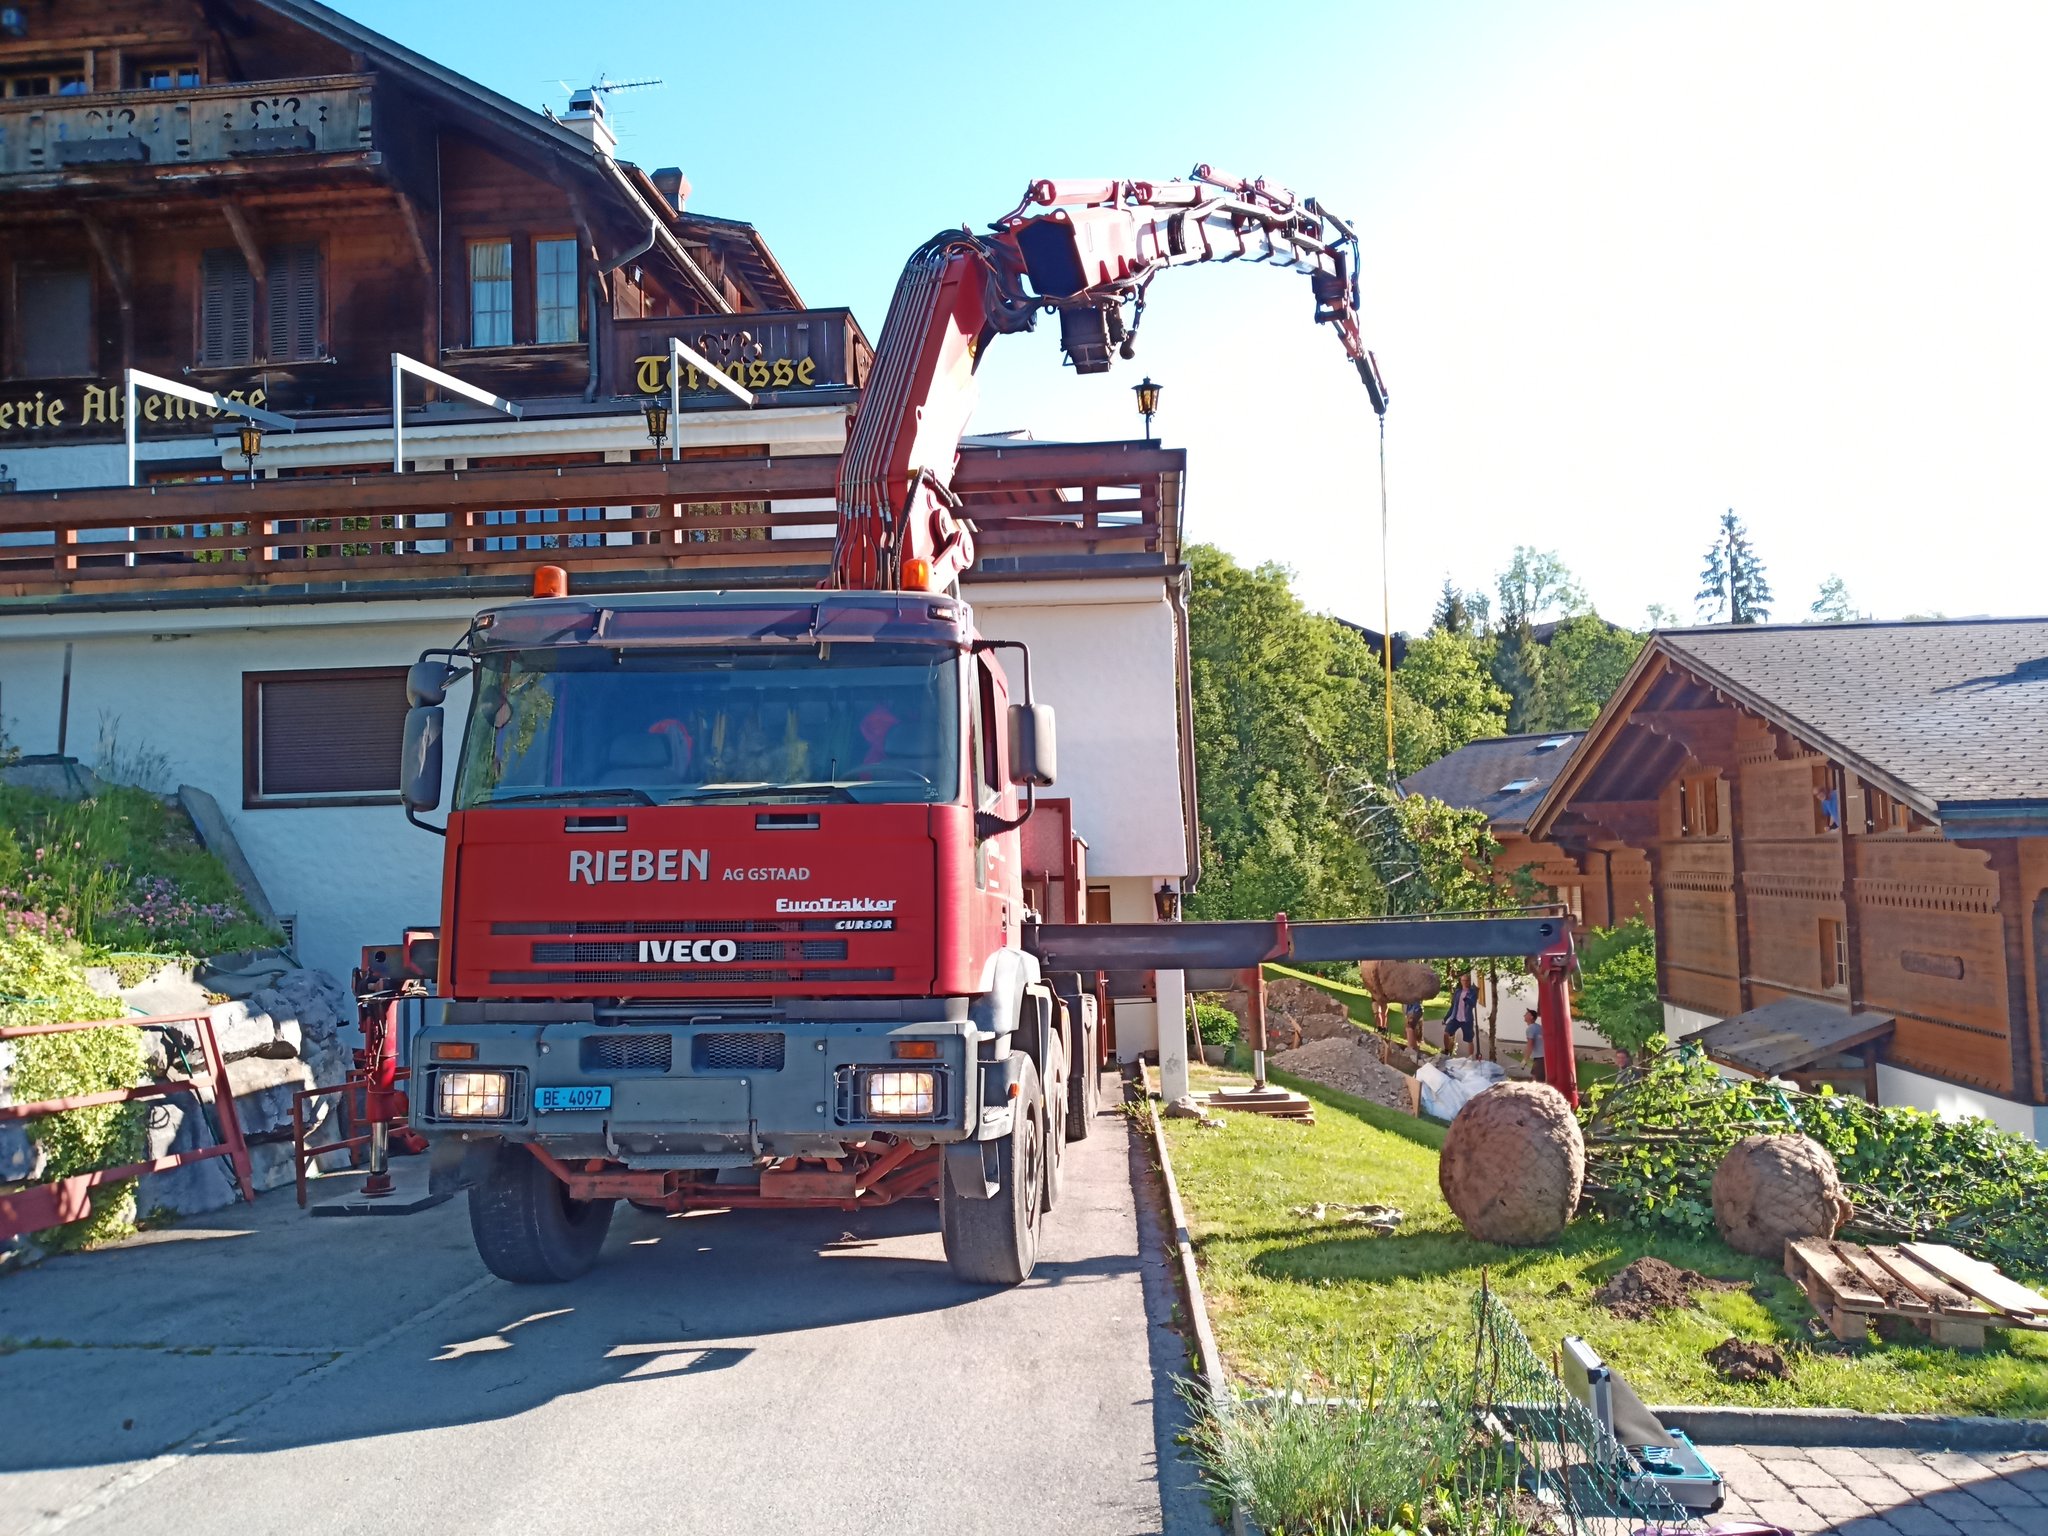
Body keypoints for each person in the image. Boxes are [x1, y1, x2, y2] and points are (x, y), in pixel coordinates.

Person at [1444, 972, 1479, 1057]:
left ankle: (1470, 1058)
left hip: (1467, 1020)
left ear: (1469, 981)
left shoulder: (1472, 992)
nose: (1465, 982)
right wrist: (1446, 1017)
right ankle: (1446, 1051)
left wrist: (1467, 999)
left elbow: (1473, 1004)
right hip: (1455, 1018)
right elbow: (1453, 1006)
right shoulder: (1457, 992)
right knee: (1446, 1033)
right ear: (1461, 981)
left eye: (1466, 980)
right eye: (1463, 980)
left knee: (1469, 1039)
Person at [1524, 1005, 1546, 1080]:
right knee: (1535, 1077)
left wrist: (1525, 1060)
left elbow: (1530, 1044)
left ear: (1531, 1017)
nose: (1524, 1015)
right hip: (1543, 1057)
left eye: (1526, 1014)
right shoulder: (1538, 1027)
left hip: (1540, 1058)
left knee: (1537, 1080)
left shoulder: (1530, 1028)